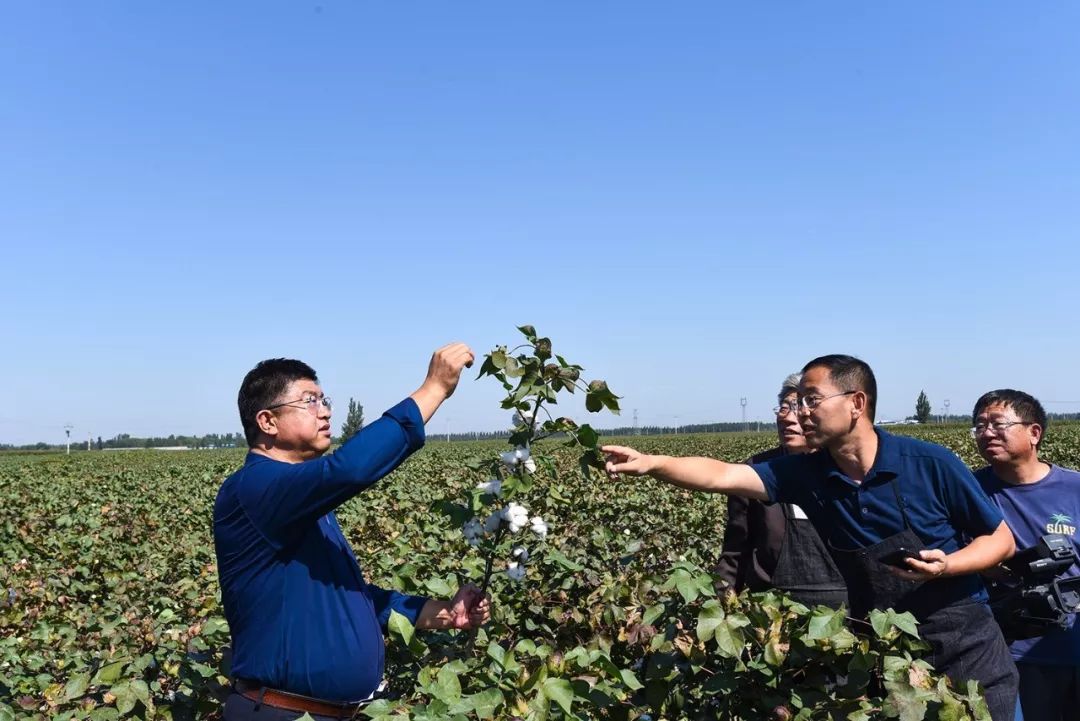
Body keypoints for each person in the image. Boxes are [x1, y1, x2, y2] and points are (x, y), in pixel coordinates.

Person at [603, 354, 1019, 720]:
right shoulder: (805, 472)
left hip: (966, 644)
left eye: (812, 400)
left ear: (857, 403)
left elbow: (1001, 540)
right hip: (887, 647)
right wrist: (654, 462)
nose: (800, 411)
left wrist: (949, 565)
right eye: (797, 401)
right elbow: (722, 475)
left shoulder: (930, 463)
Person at [214, 343, 491, 721]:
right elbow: (349, 469)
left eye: (324, 399)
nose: (325, 410)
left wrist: (444, 613)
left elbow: (355, 600)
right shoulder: (253, 489)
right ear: (267, 422)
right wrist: (434, 389)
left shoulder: (303, 505)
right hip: (281, 713)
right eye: (309, 401)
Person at [972, 389, 1080, 721]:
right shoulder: (970, 491)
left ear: (1034, 433)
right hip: (1016, 651)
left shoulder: (1073, 488)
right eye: (979, 425)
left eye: (997, 423)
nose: (986, 432)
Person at [715, 373, 847, 608]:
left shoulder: (848, 471)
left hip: (845, 615)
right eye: (784, 408)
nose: (787, 418)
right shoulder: (755, 472)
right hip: (773, 616)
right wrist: (723, 607)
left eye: (797, 408)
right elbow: (735, 553)